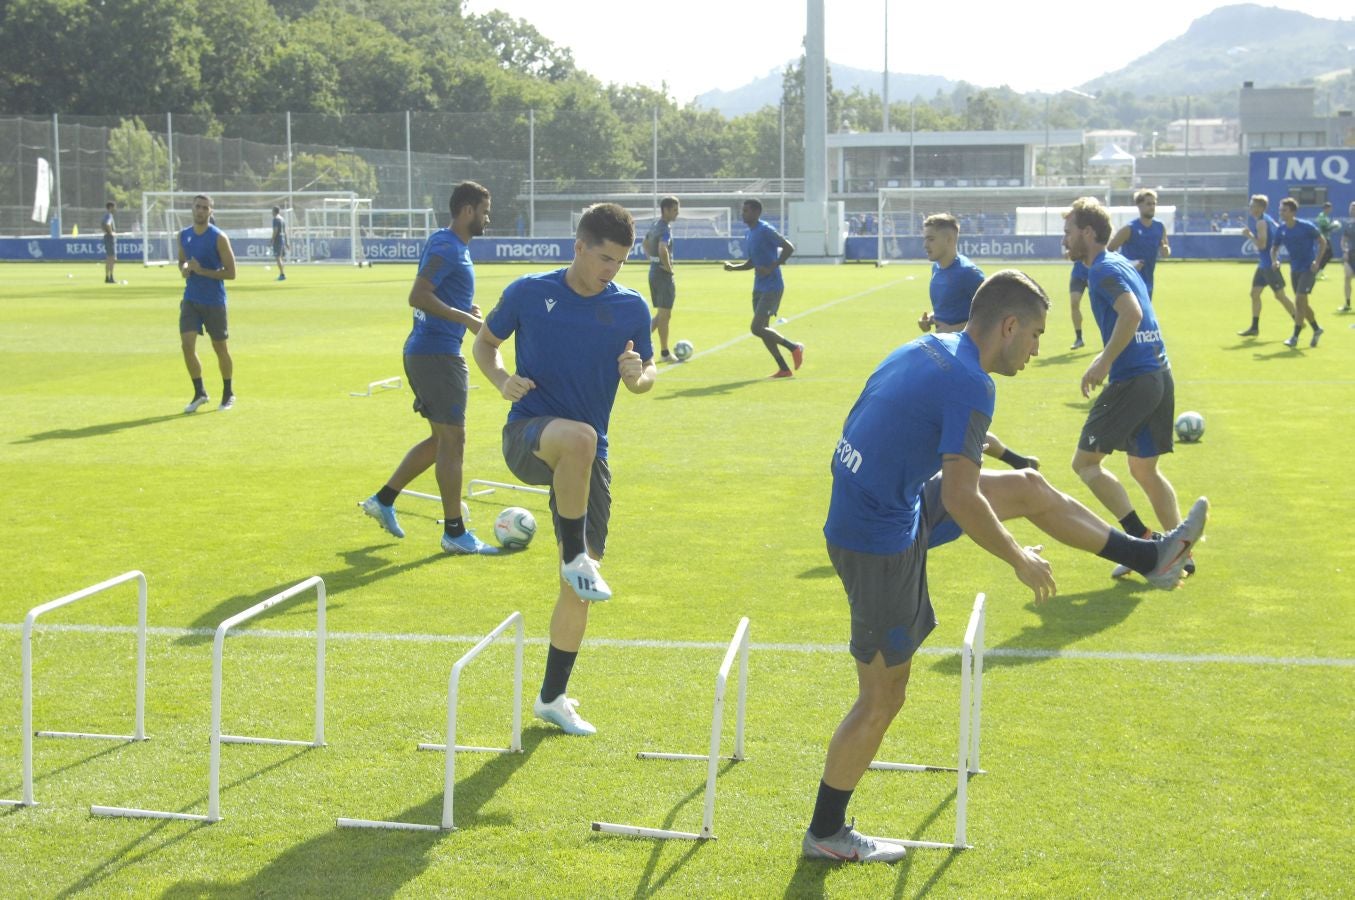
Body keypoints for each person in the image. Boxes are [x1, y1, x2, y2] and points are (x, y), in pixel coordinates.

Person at [803, 269, 1207, 864]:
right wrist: (1017, 558)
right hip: (876, 536)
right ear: (1009, 326)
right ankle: (826, 832)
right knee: (883, 697)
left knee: (1026, 486)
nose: (1039, 348)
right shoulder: (971, 381)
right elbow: (964, 499)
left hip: (889, 499)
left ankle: (1149, 555)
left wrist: (1005, 455)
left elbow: (910, 415)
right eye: (1038, 334)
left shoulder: (934, 347)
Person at [472, 203, 656, 736]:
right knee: (578, 436)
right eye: (603, 258)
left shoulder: (630, 308)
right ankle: (574, 554)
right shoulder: (529, 291)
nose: (611, 270)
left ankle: (552, 697)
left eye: (620, 262)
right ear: (577, 246)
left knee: (581, 588)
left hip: (586, 460)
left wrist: (636, 375)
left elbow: (645, 374)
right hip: (530, 435)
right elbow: (485, 344)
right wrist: (501, 379)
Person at [360, 182, 497, 555]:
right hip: (436, 355)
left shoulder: (453, 247)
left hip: (435, 350)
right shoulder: (446, 245)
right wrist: (465, 322)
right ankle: (454, 532)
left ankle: (384, 499)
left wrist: (464, 314)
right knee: (454, 441)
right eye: (485, 210)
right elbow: (418, 295)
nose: (488, 217)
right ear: (467, 210)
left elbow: (438, 296)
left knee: (442, 440)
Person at [1063, 197, 1195, 581]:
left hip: (1135, 378)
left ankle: (1145, 544)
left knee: (1085, 464)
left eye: (1069, 231)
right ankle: (1181, 555)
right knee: (1143, 469)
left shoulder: (1102, 268)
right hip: (1159, 372)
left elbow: (1133, 313)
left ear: (1088, 233)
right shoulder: (1118, 262)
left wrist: (1103, 360)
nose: (1065, 238)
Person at [918, 213, 1040, 471]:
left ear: (949, 239)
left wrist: (952, 328)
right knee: (953, 424)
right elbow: (951, 310)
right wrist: (933, 318)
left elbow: (992, 315)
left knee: (953, 425)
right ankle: (1019, 462)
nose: (925, 244)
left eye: (930, 238)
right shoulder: (936, 269)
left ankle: (966, 478)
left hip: (963, 358)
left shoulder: (969, 274)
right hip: (943, 353)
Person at [723, 198, 804, 378]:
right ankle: (784, 368)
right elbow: (753, 262)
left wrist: (772, 267)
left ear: (756, 212)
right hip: (758, 287)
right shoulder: (750, 233)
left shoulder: (765, 230)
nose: (743, 214)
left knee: (756, 328)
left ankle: (794, 347)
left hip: (772, 286)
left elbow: (789, 247)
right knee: (764, 331)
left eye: (746, 211)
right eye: (743, 210)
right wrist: (733, 267)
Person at [179, 194, 237, 413]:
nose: (200, 211)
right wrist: (185, 269)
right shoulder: (184, 235)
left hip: (214, 301)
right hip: (191, 299)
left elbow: (231, 273)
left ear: (211, 211)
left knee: (219, 347)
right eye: (197, 207)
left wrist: (202, 270)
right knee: (186, 346)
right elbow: (181, 261)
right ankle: (200, 392)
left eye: (205, 208)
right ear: (192, 209)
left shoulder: (218, 237)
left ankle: (228, 392)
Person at [1237, 194, 1297, 336]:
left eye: (1252, 206)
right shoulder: (1267, 219)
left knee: (1280, 296)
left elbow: (1262, 245)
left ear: (1260, 208)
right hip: (1264, 264)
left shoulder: (1261, 223)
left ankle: (1298, 320)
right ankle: (1254, 328)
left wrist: (1249, 235)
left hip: (1269, 264)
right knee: (1254, 293)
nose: (1250, 208)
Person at [1274, 197, 1327, 349]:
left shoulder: (1306, 226)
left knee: (1298, 301)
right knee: (1303, 304)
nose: (1281, 212)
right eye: (1280, 210)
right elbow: (1274, 248)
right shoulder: (1281, 229)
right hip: (1294, 270)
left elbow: (1322, 242)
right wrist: (1275, 260)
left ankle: (1295, 337)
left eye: (1284, 210)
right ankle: (1317, 329)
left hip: (1308, 269)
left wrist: (1317, 262)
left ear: (1292, 212)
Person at [1107, 189, 1170, 298]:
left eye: (1154, 204)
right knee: (1132, 313)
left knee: (1143, 314)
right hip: (1129, 280)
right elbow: (1109, 251)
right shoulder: (1129, 229)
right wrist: (1129, 264)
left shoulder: (1160, 226)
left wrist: (1166, 250)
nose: (1152, 207)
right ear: (1139, 205)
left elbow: (1166, 252)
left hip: (1148, 281)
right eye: (1148, 204)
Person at [644, 196, 680, 361]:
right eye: (674, 209)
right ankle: (665, 353)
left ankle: (639, 339)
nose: (677, 213)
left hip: (653, 272)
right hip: (662, 275)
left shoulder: (654, 225)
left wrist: (652, 260)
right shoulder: (665, 228)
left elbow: (644, 242)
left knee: (662, 314)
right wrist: (668, 267)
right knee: (665, 316)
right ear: (665, 210)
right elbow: (662, 248)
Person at [1068, 255, 1089, 350]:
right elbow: (1069, 253)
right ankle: (1079, 338)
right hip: (1078, 273)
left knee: (1101, 305)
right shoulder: (1073, 239)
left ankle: (1109, 337)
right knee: (1074, 303)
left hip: (1093, 271)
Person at [1315, 201, 1337, 276]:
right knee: (1327, 254)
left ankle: (1319, 271)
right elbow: (1324, 229)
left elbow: (1327, 229)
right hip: (1323, 239)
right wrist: (1334, 226)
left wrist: (1332, 227)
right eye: (1329, 208)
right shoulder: (1322, 216)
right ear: (1326, 208)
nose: (1330, 210)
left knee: (1326, 255)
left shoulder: (1326, 217)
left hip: (1326, 238)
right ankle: (1318, 271)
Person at [1341, 201, 1355, 313]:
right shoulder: (1348, 224)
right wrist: (1345, 250)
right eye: (1351, 208)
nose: (1352, 210)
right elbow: (1344, 239)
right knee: (1347, 277)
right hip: (1350, 254)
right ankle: (1347, 303)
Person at [101, 201, 117, 284]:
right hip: (109, 237)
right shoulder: (109, 215)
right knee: (112, 258)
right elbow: (107, 224)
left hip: (106, 237)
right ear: (111, 207)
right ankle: (111, 277)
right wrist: (111, 233)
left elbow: (103, 225)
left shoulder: (104, 215)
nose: (115, 209)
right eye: (114, 207)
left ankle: (107, 277)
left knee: (108, 258)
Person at [271, 206, 288, 281]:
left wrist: (272, 239)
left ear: (274, 211)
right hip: (283, 239)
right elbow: (285, 232)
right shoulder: (282, 219)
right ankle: (282, 273)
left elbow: (275, 230)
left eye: (272, 211)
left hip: (278, 240)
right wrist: (287, 242)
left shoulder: (275, 219)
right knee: (281, 258)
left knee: (278, 258)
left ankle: (282, 274)